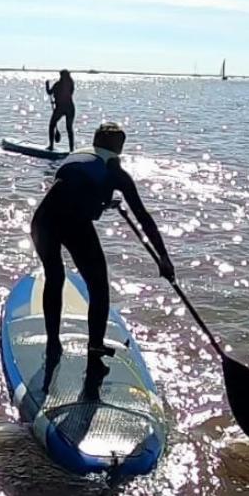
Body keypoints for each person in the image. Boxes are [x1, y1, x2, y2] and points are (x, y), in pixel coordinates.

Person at [30, 122, 175, 396]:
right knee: (98, 288)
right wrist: (163, 259)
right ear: (118, 147)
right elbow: (143, 217)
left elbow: (73, 189)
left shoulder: (77, 156)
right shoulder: (116, 173)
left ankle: (53, 344)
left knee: (55, 277)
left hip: (42, 220)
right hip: (74, 224)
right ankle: (94, 353)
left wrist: (102, 202)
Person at [45, 69, 75, 151]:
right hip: (70, 108)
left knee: (52, 125)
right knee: (69, 129)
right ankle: (71, 149)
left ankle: (51, 146)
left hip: (61, 108)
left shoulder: (58, 84)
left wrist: (47, 85)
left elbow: (49, 92)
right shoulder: (71, 84)